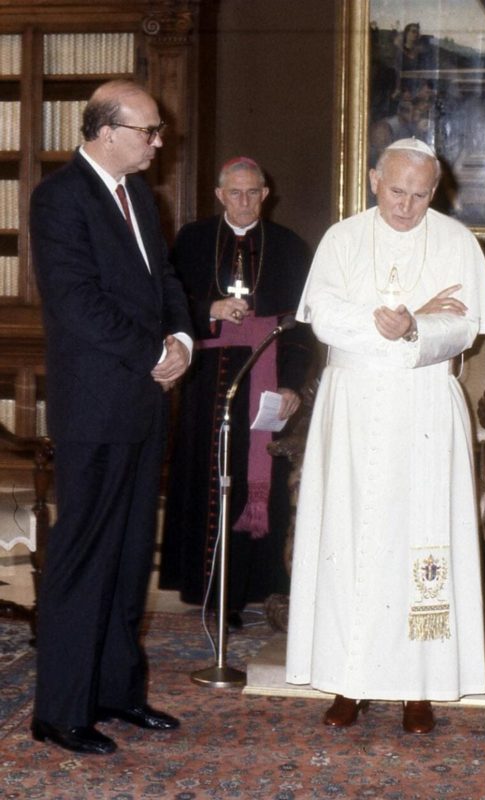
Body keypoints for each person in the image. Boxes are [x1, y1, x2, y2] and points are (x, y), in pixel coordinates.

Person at [285, 137, 485, 734]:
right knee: (349, 538)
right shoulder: (342, 238)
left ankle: (420, 687)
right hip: (352, 405)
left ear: (436, 191)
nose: (406, 206)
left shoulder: (456, 241)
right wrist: (399, 317)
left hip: (425, 405)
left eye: (421, 194)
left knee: (422, 538)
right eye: (397, 190)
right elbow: (323, 316)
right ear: (375, 179)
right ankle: (347, 681)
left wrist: (414, 326)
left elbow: (463, 327)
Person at [29, 80, 194, 755]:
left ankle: (117, 693)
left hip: (143, 404)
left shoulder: (142, 200)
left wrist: (182, 338)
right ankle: (61, 711)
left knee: (129, 561)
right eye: (148, 131)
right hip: (95, 407)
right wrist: (153, 351)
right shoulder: (59, 199)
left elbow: (167, 283)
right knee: (83, 557)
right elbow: (77, 304)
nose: (158, 142)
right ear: (104, 131)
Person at [159, 157, 313, 625]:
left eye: (253, 193)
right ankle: (211, 594)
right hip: (206, 383)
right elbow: (170, 302)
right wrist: (211, 307)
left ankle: (260, 588)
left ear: (266, 195)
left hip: (265, 379)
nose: (244, 202)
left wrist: (291, 385)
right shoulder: (193, 240)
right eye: (235, 193)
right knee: (206, 479)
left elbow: (302, 325)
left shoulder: (288, 246)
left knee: (254, 483)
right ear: (219, 195)